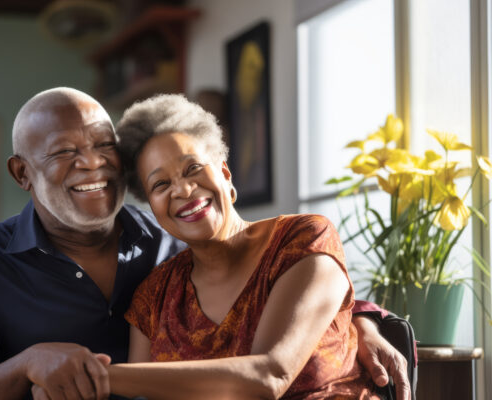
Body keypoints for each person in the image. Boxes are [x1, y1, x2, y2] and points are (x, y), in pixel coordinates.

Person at [0, 87, 409, 400]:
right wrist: (30, 364)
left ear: (225, 173)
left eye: (104, 146)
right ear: (22, 173)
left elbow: (278, 280)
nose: (92, 164)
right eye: (64, 152)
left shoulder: (171, 241)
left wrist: (358, 318)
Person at [88, 93, 388, 399]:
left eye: (192, 168)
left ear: (226, 175)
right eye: (160, 185)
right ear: (153, 208)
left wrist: (94, 376)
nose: (183, 190)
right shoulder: (153, 297)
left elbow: (270, 377)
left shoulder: (302, 239)